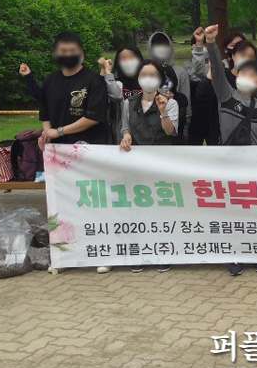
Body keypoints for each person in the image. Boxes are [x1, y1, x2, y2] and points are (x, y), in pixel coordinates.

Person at [202, 24, 257, 276]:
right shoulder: (226, 95)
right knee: (233, 212)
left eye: (255, 76)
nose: (248, 78)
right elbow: (217, 70)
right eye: (245, 73)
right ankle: (235, 255)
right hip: (230, 165)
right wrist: (211, 43)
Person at [38, 32, 109, 274]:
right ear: (56, 54)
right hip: (58, 156)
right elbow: (45, 114)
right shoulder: (49, 81)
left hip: (89, 152)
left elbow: (94, 117)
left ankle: (100, 252)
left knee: (92, 202)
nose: (67, 55)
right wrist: (47, 134)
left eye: (72, 51)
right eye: (63, 51)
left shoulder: (93, 80)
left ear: (82, 54)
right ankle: (63, 256)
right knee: (62, 204)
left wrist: (59, 131)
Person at [117, 59, 179, 274]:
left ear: (160, 79)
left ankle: (163, 252)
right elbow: (124, 126)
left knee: (161, 209)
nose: (148, 79)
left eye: (153, 75)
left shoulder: (170, 103)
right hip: (136, 164)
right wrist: (126, 135)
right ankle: (139, 252)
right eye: (144, 74)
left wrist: (163, 111)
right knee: (138, 209)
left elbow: (171, 131)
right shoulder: (128, 102)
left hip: (161, 164)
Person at [188, 32, 245, 145]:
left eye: (242, 46)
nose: (238, 49)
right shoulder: (220, 67)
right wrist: (199, 45)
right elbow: (200, 70)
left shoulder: (255, 74)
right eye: (234, 46)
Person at [147, 31, 191, 134]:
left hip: (175, 124)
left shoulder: (180, 72)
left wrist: (186, 128)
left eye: (164, 45)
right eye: (157, 45)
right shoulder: (146, 70)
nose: (161, 48)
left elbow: (186, 100)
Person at [99, 46, 145, 143]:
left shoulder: (147, 81)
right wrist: (107, 71)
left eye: (132, 57)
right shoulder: (117, 84)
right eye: (123, 58)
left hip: (146, 135)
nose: (128, 61)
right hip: (123, 136)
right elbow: (115, 96)